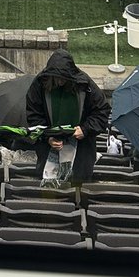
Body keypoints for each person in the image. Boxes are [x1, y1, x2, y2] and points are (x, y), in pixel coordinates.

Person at [26, 49, 110, 184]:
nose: (59, 82)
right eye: (55, 79)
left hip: (81, 150)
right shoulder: (39, 85)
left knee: (78, 187)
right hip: (49, 149)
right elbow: (34, 117)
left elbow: (102, 111)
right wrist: (48, 138)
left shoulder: (85, 85)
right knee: (50, 190)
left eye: (62, 79)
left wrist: (85, 129)